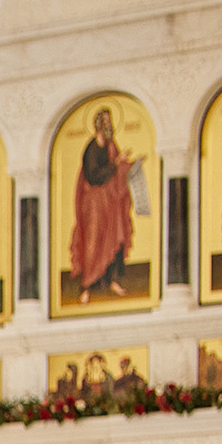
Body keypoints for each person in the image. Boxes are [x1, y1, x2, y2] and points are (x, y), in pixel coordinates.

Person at [71, 108, 140, 302]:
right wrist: (116, 164)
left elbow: (116, 171)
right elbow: (93, 177)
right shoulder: (91, 148)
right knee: (93, 243)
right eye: (106, 121)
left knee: (113, 240)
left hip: (109, 202)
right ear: (99, 124)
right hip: (93, 203)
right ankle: (86, 286)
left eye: (110, 121)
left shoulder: (111, 146)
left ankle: (111, 280)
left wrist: (129, 165)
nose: (109, 125)